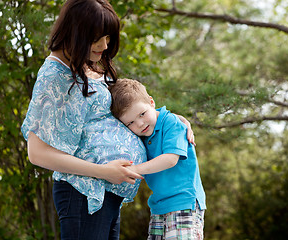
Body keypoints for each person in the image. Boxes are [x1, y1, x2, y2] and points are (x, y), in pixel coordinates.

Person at [21, 1, 194, 239]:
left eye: (107, 37)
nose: (104, 45)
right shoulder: (54, 76)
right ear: (75, 33)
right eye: (96, 39)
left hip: (106, 192)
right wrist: (103, 171)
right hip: (83, 192)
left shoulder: (88, 65)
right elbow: (37, 153)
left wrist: (173, 120)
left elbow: (131, 108)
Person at [109, 78, 206, 240]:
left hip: (183, 201)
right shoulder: (143, 133)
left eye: (142, 114)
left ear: (152, 103)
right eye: (131, 122)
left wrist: (135, 170)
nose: (139, 124)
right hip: (158, 205)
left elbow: (170, 159)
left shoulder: (170, 122)